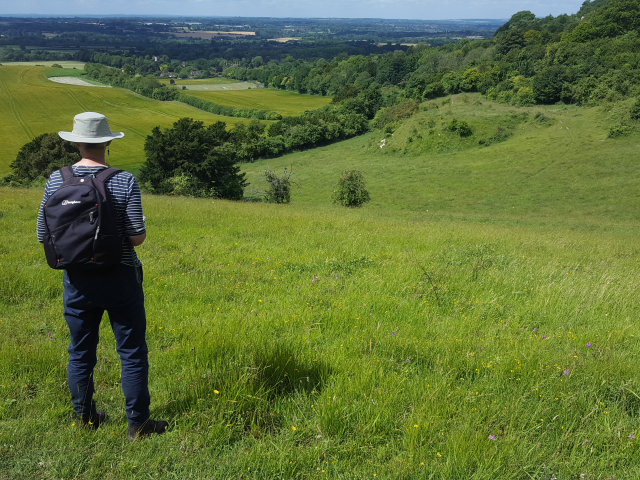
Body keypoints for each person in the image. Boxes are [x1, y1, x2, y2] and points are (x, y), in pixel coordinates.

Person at [36, 112, 167, 441]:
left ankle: (84, 419)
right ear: (108, 142)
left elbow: (43, 234)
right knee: (132, 351)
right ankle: (137, 426)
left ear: (76, 142)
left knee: (80, 352)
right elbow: (137, 236)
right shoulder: (123, 180)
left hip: (77, 279)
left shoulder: (57, 180)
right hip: (120, 276)